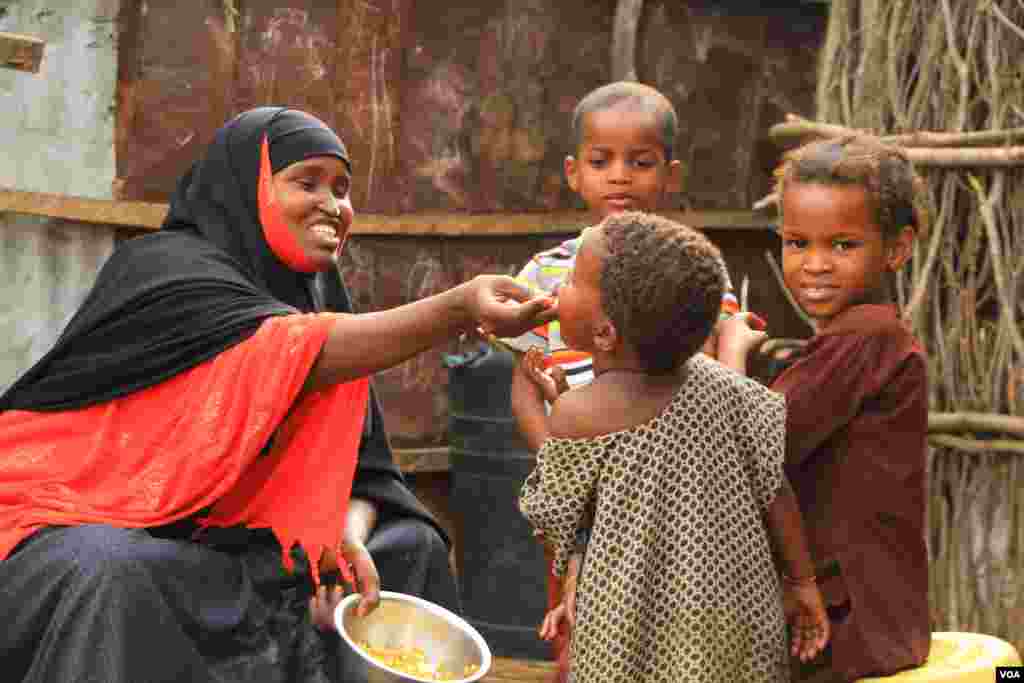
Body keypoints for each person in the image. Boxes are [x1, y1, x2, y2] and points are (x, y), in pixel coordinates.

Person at [0, 106, 555, 683]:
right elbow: (293, 350)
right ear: (249, 186)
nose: (332, 205)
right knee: (109, 572)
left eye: (342, 189)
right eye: (306, 182)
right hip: (104, 520)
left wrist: (340, 539)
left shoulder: (317, 293)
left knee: (409, 548)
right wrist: (457, 308)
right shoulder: (165, 270)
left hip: (243, 544)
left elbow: (365, 473)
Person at [501, 82, 760, 676]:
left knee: (667, 631)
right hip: (576, 491)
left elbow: (717, 382)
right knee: (577, 626)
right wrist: (568, 464)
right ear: (574, 172)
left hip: (667, 493)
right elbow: (524, 388)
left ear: (669, 175)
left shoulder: (694, 272)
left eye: (640, 163)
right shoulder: (546, 275)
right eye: (601, 161)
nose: (620, 177)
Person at [515, 211, 829, 683]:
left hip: (627, 630)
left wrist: (565, 588)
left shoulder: (577, 415)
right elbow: (774, 488)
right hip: (736, 620)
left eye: (574, 281)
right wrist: (804, 583)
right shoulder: (731, 388)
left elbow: (558, 520)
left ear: (604, 334)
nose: (560, 291)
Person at [717, 135, 931, 682]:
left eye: (842, 245)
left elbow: (747, 447)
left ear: (898, 247)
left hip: (846, 632)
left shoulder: (863, 341)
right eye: (796, 243)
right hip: (863, 616)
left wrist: (729, 356)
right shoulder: (866, 338)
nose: (814, 265)